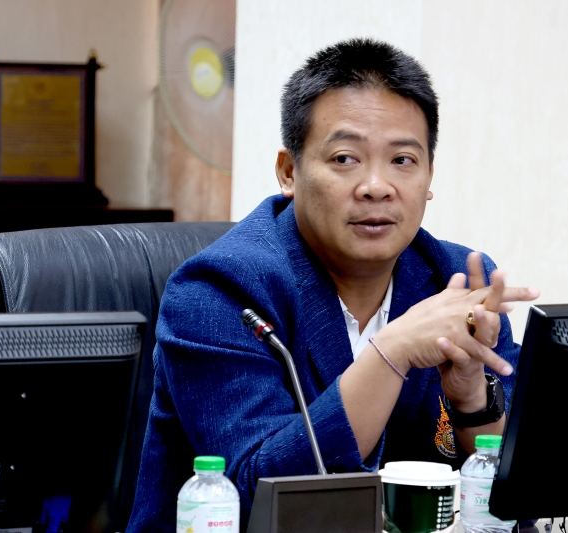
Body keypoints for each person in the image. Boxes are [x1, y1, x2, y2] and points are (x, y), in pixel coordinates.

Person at [128, 38, 538, 531]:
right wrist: (391, 351)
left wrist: (473, 397)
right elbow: (258, 495)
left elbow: (517, 496)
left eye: (402, 160)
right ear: (289, 172)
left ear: (429, 176)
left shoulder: (456, 281)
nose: (376, 186)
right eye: (345, 158)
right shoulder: (219, 292)